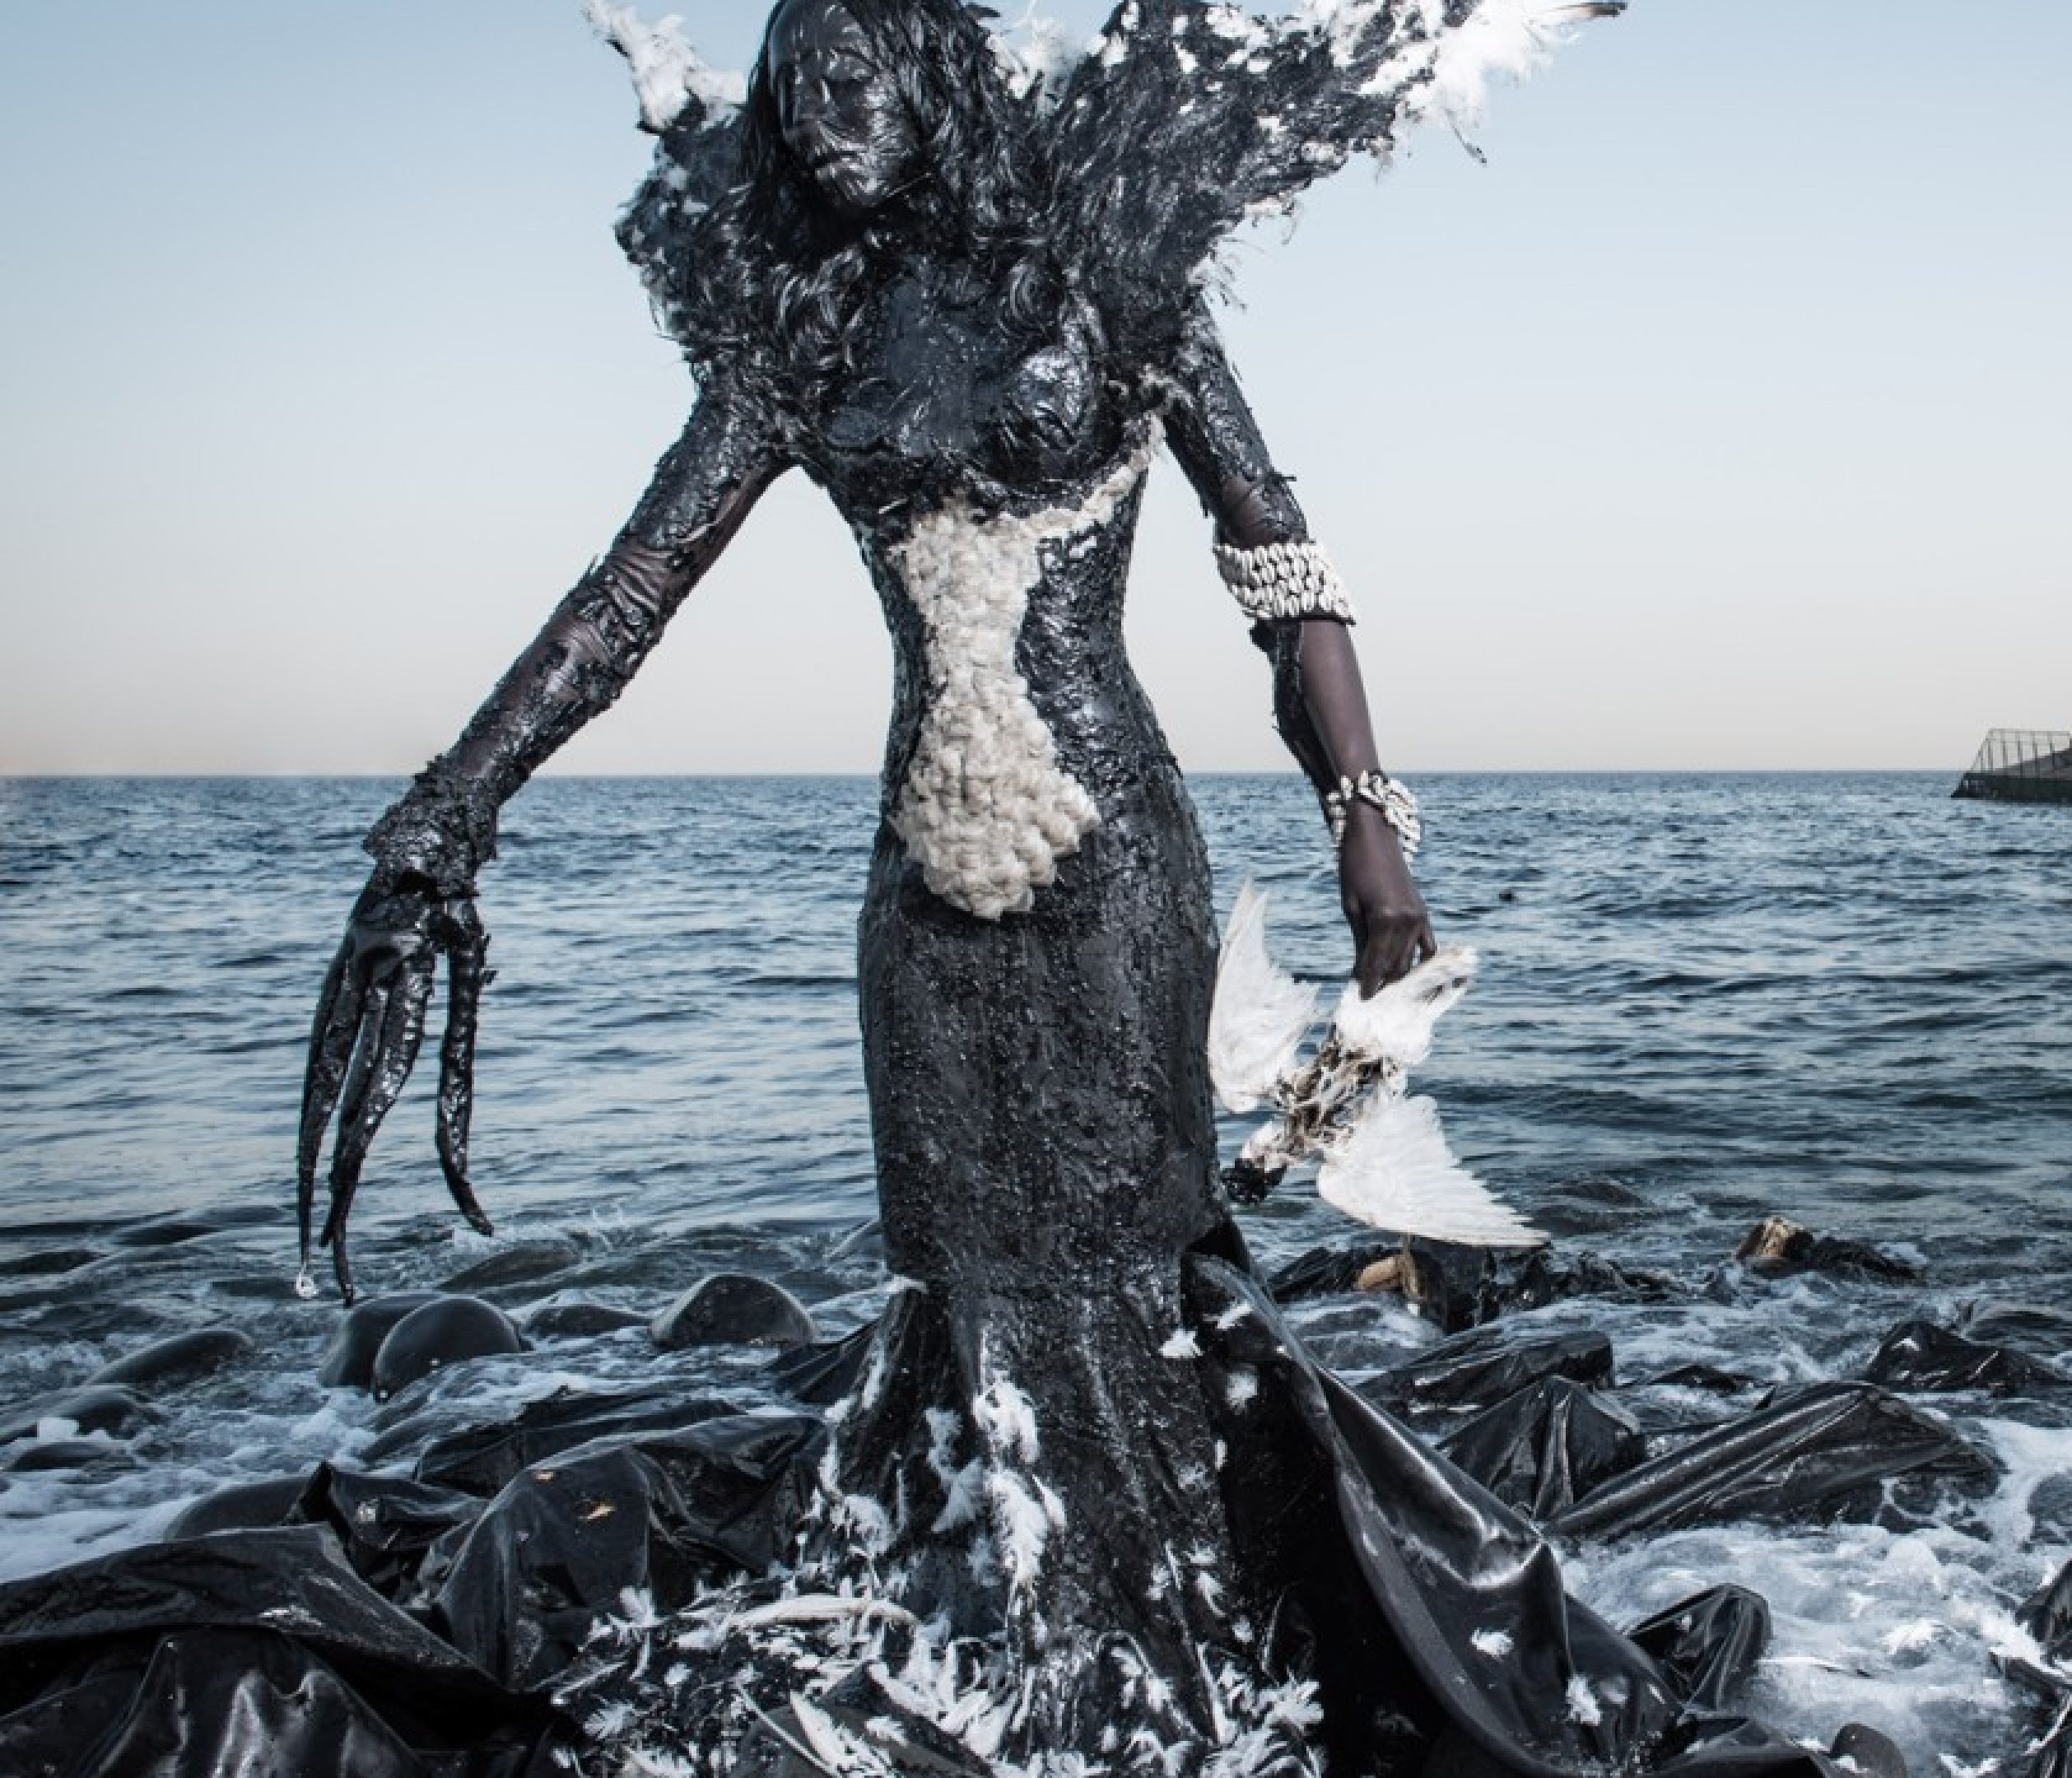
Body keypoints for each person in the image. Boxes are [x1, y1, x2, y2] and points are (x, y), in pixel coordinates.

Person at [289, 3, 1685, 1770]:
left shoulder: (1110, 271)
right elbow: (626, 596)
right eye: (799, 95)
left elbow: (1279, 557)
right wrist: (443, 819)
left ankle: (1187, 1678)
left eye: (864, 74)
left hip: (1112, 871)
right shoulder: (798, 338)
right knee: (955, 1284)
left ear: (942, 77)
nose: (829, 118)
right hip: (921, 907)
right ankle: (1012, 1664)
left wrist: (1371, 843)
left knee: (1127, 1271)